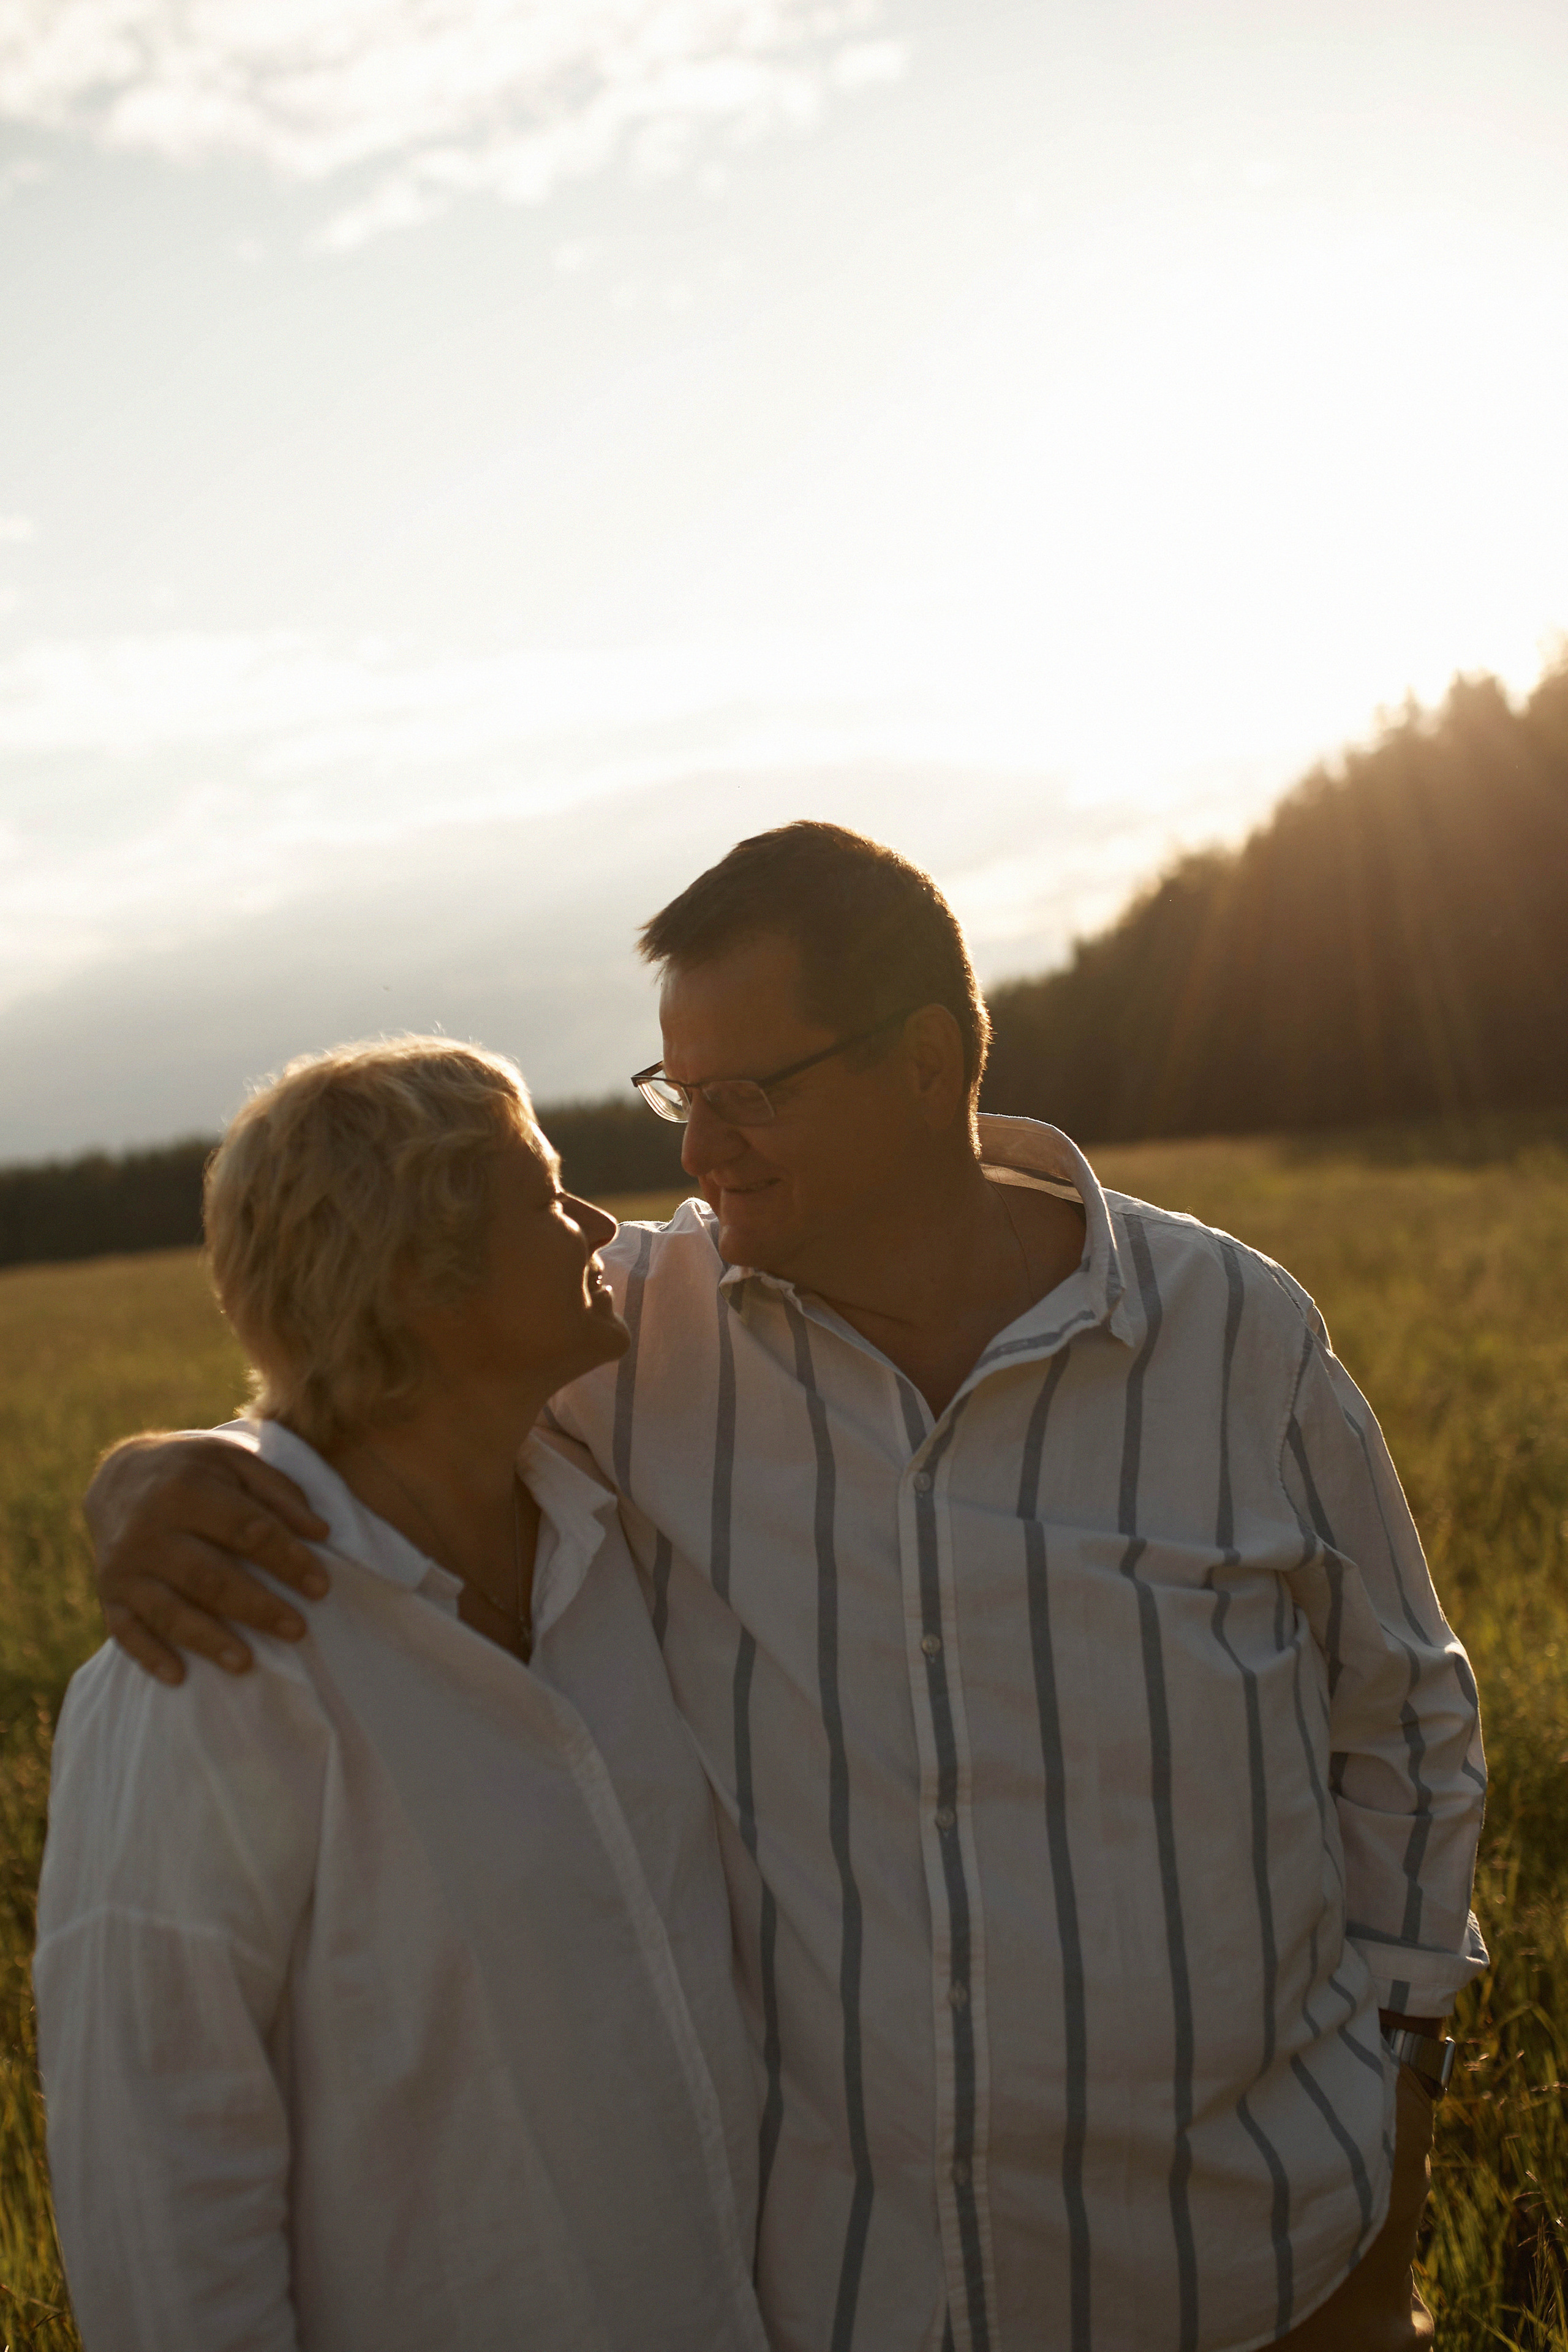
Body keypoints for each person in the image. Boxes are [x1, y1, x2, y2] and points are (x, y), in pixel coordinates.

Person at [87, 824, 1487, 2352]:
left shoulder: (1227, 1333)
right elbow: (389, 1367)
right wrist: (157, 1472)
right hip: (855, 2305)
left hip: (1250, 2280)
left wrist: (1390, 2168)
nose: (698, 1151)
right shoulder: (635, 1337)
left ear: (926, 1060)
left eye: (752, 1096)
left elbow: (1406, 1726)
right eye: (680, 1096)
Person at [36, 1038, 767, 2352]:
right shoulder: (213, 1654)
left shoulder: (612, 1545)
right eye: (543, 1193)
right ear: (425, 1279)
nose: (600, 1222)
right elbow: (156, 2183)